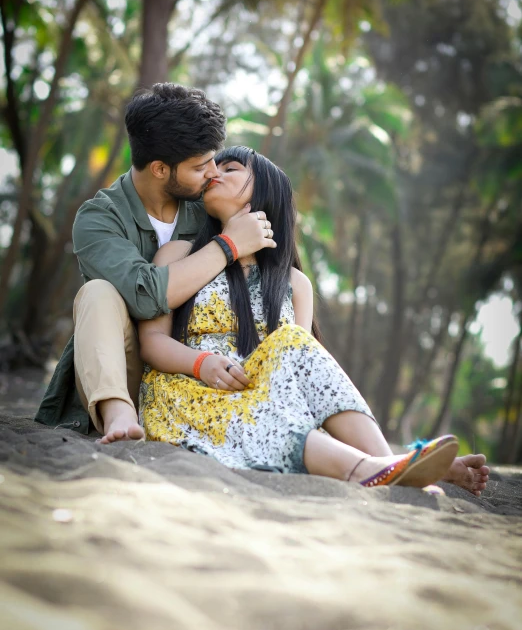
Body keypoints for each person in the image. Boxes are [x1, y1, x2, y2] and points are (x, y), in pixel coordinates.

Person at [138, 146, 490, 492]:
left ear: (264, 191)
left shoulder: (294, 284)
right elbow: (152, 342)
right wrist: (202, 363)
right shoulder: (178, 254)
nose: (214, 172)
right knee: (270, 405)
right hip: (188, 394)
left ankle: (389, 464)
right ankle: (382, 468)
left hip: (262, 401)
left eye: (230, 168)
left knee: (292, 343)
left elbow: (298, 378)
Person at [35, 84, 276, 442]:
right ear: (161, 169)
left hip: (203, 378)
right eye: (199, 166)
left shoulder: (207, 206)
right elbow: (145, 296)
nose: (213, 173)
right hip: (131, 370)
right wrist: (227, 245)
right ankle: (119, 415)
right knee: (97, 293)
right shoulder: (99, 219)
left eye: (215, 158)